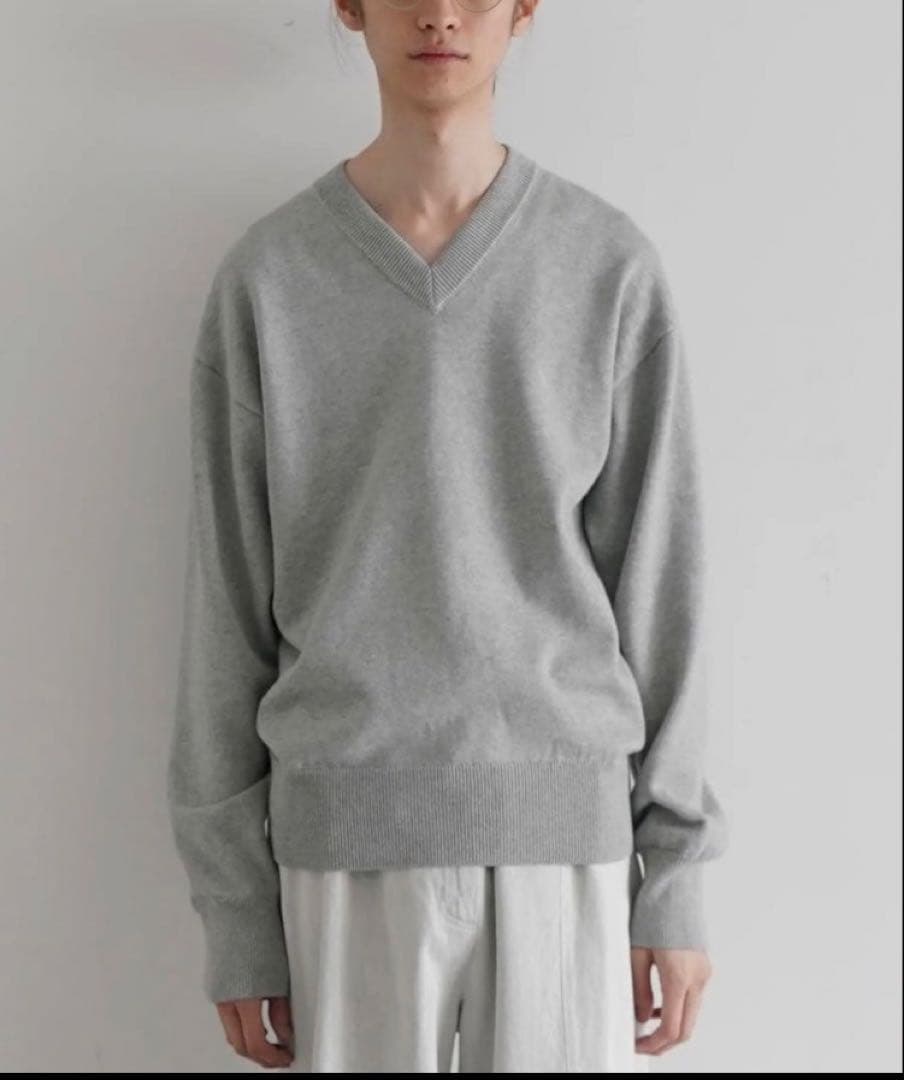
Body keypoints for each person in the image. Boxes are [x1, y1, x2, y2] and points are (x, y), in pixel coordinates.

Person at [166, 0, 730, 1071]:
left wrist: (677, 876)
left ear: (524, 9)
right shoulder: (270, 279)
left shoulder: (605, 266)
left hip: (564, 850)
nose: (438, 13)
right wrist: (236, 909)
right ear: (348, 6)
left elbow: (665, 590)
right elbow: (225, 608)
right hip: (343, 847)